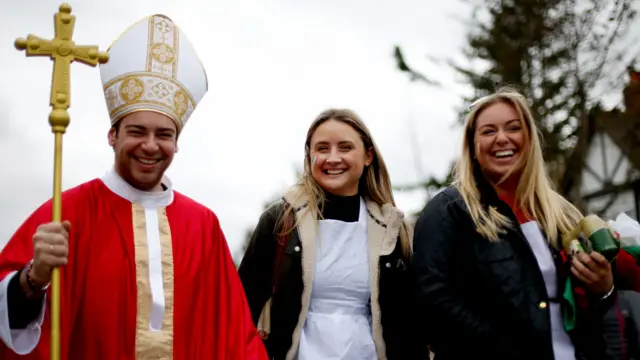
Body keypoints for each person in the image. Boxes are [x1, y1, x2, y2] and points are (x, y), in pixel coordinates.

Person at [0, 14, 267, 359]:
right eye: (137, 132)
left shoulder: (204, 226)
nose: (151, 146)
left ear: (177, 142)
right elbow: (10, 317)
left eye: (164, 135)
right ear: (112, 136)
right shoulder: (68, 212)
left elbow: (235, 337)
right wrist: (32, 279)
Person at [412, 87, 618, 360]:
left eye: (513, 128)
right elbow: (433, 300)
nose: (502, 138)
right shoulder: (448, 211)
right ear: (472, 147)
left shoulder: (561, 213)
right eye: (488, 131)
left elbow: (586, 309)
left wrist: (603, 289)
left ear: (529, 140)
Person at [238, 109, 426, 360]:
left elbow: (411, 321)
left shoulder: (392, 229)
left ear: (368, 155)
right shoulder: (280, 221)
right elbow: (240, 308)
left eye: (345, 148)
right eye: (322, 148)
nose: (333, 158)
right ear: (309, 156)